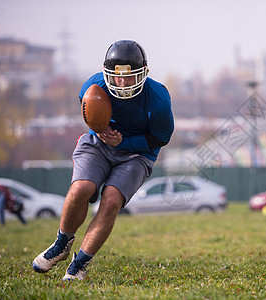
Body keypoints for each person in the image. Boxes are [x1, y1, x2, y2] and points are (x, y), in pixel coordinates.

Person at [32, 40, 174, 280]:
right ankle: (62, 243)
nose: (122, 82)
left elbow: (161, 138)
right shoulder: (95, 83)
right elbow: (85, 102)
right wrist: (98, 126)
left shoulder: (158, 98)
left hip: (137, 154)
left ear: (144, 73)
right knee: (80, 189)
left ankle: (81, 264)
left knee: (110, 200)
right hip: (98, 144)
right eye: (117, 77)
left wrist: (123, 143)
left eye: (130, 77)